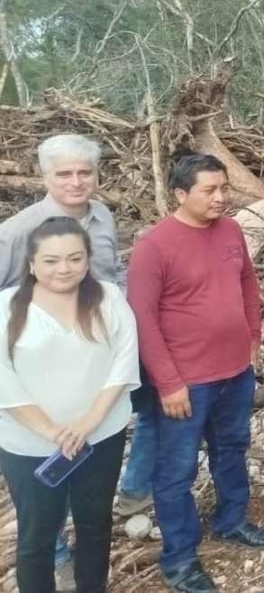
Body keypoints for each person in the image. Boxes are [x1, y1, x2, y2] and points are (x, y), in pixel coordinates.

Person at [0, 134, 153, 590]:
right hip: (33, 421)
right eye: (64, 173)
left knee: (94, 520)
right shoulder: (17, 233)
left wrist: (88, 420)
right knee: (39, 533)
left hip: (98, 406)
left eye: (84, 172)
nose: (76, 181)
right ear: (44, 176)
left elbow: (113, 286)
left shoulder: (101, 216)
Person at [127, 154, 264, 593]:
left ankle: (231, 519)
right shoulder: (154, 246)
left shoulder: (230, 231)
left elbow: (247, 283)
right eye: (209, 190)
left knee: (231, 448)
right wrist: (168, 383)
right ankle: (180, 558)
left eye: (224, 188)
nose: (220, 197)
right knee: (176, 471)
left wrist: (252, 336)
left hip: (235, 371)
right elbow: (142, 319)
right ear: (180, 194)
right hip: (186, 381)